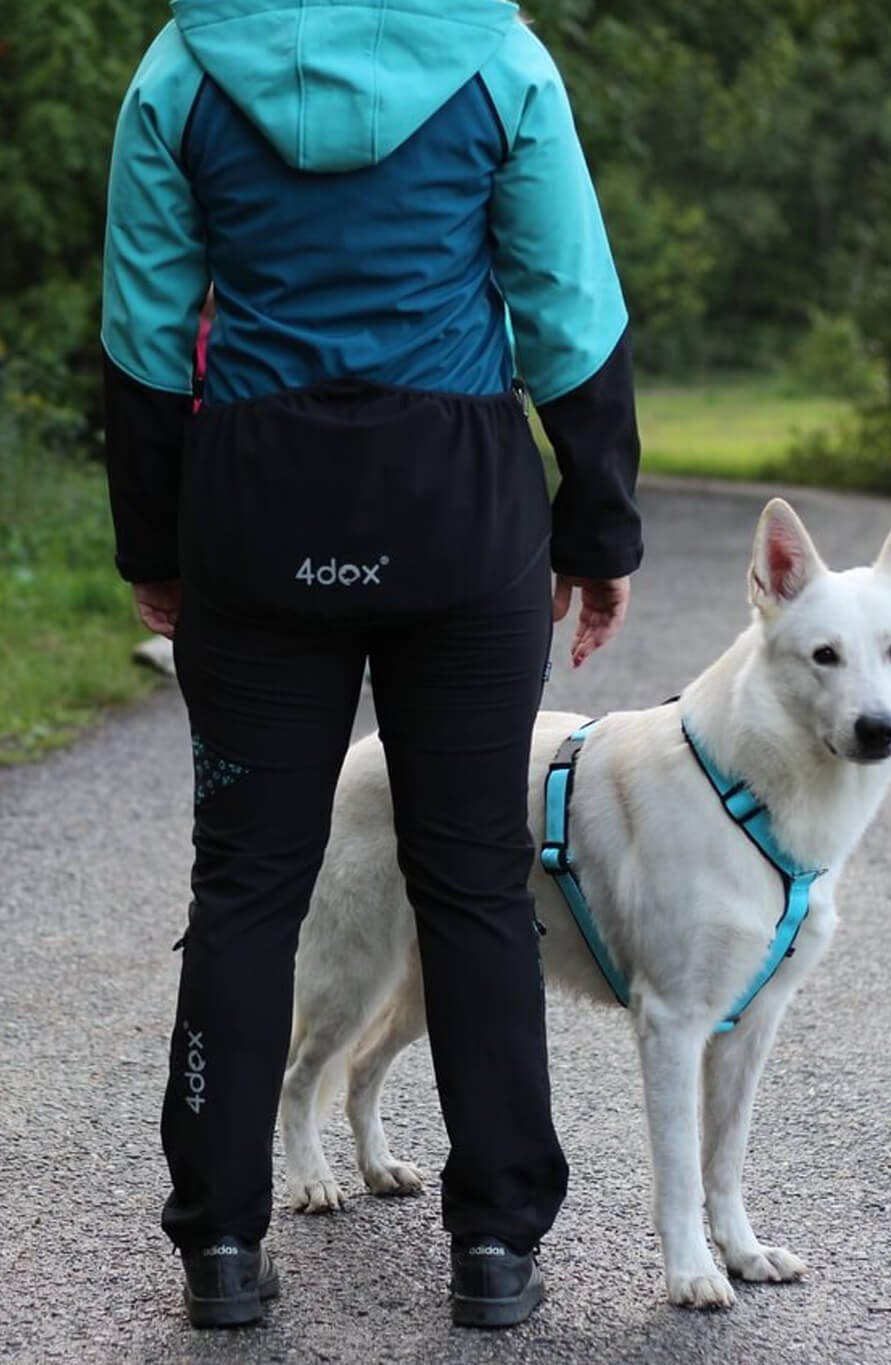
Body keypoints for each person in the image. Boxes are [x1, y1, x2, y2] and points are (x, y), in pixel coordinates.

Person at [102, 0, 642, 1332]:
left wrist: (153, 539)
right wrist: (600, 523)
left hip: (256, 517)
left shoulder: (180, 70)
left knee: (244, 885)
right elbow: (568, 304)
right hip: (458, 515)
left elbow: (145, 331)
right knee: (470, 881)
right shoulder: (500, 58)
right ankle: (498, 1246)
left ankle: (221, 1244)